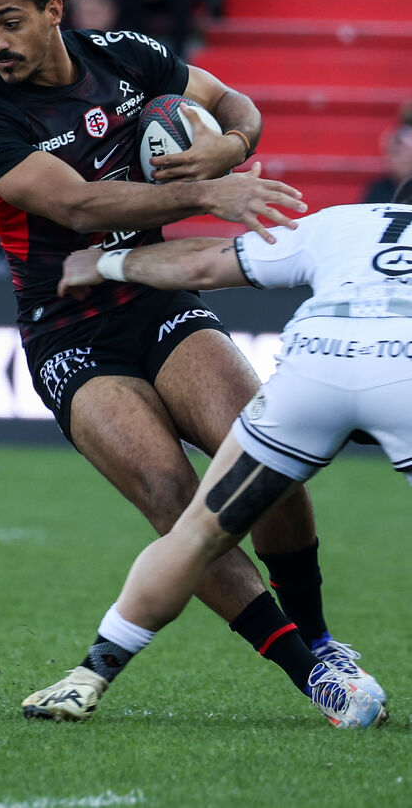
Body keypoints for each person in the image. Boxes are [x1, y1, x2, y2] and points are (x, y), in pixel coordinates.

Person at [0, 0, 383, 721]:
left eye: (8, 21)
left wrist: (229, 147)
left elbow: (234, 104)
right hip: (67, 332)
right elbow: (76, 205)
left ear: (53, 10)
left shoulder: (125, 56)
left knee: (265, 458)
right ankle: (311, 674)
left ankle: (322, 639)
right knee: (170, 497)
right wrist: (204, 193)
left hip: (156, 299)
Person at [23, 182, 412, 728]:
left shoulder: (344, 220)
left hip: (318, 364)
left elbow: (204, 264)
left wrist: (106, 262)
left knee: (195, 532)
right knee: (201, 497)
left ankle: (92, 673)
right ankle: (319, 657)